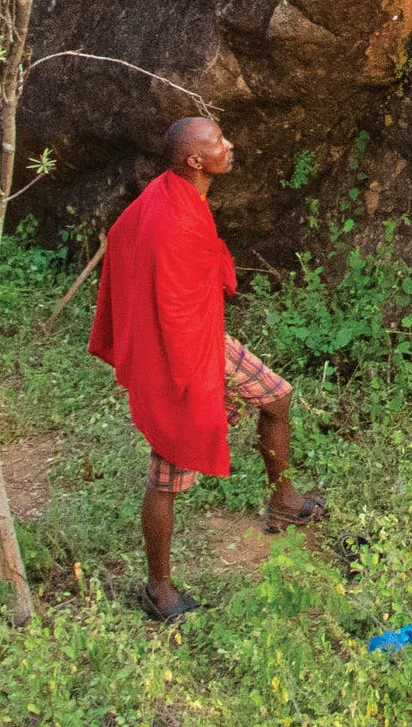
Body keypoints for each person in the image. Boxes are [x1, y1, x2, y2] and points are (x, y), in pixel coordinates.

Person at [87, 114, 324, 622]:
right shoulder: (172, 216)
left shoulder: (169, 194)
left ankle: (283, 500)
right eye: (218, 142)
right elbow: (168, 307)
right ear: (195, 160)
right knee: (168, 468)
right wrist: (197, 387)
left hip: (201, 341)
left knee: (277, 397)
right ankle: (158, 590)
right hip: (178, 361)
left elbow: (121, 233)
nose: (229, 146)